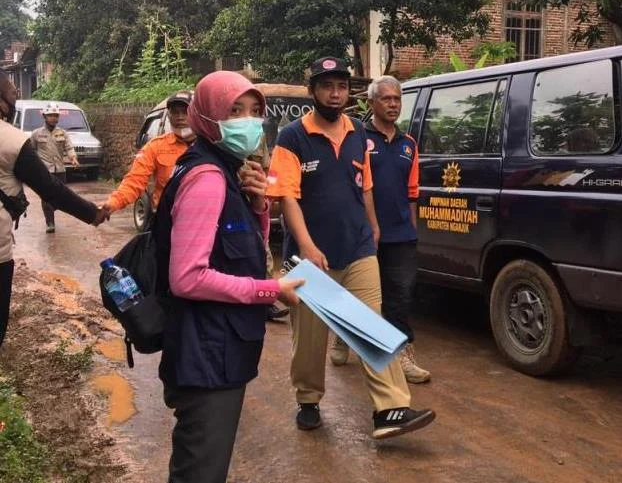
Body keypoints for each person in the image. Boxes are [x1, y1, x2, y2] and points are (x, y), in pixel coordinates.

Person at [267, 56, 435, 439]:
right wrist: (307, 246)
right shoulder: (291, 136)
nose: (335, 92)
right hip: (308, 256)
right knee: (310, 337)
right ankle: (308, 399)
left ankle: (391, 409)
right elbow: (287, 198)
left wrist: (373, 228)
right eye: (326, 85)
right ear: (313, 91)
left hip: (358, 246)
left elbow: (366, 185)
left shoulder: (359, 132)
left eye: (341, 85)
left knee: (370, 326)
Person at [153, 71, 303, 483]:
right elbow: (188, 278)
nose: (248, 121)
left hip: (216, 350)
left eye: (255, 111)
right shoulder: (207, 179)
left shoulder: (224, 171)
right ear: (207, 115)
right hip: (206, 356)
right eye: (234, 111)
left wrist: (256, 206)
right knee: (200, 473)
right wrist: (269, 289)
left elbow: (233, 250)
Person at [0, 74, 105, 349]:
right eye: (12, 93)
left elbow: (67, 154)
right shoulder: (13, 140)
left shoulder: (59, 134)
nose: (15, 98)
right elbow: (50, 190)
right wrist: (92, 213)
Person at [362, 75, 431, 383]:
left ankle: (402, 352)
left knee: (400, 295)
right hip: (366, 234)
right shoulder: (358, 139)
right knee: (366, 296)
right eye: (386, 98)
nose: (392, 104)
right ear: (372, 103)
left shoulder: (409, 144)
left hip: (401, 235)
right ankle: (345, 339)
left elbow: (412, 192)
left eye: (397, 99)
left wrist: (412, 230)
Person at [101, 91, 194, 225]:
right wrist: (112, 204)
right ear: (169, 116)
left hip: (206, 221)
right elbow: (134, 180)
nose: (180, 117)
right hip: (168, 222)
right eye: (175, 112)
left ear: (197, 114)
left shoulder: (211, 144)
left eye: (186, 112)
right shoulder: (155, 147)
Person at [30, 102, 79, 233]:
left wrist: (73, 158)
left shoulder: (62, 133)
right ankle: (50, 222)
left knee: (60, 196)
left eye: (56, 116)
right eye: (50, 115)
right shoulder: (36, 134)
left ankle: (53, 207)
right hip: (44, 171)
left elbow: (69, 147)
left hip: (60, 170)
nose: (53, 118)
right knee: (46, 197)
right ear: (44, 117)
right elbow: (31, 151)